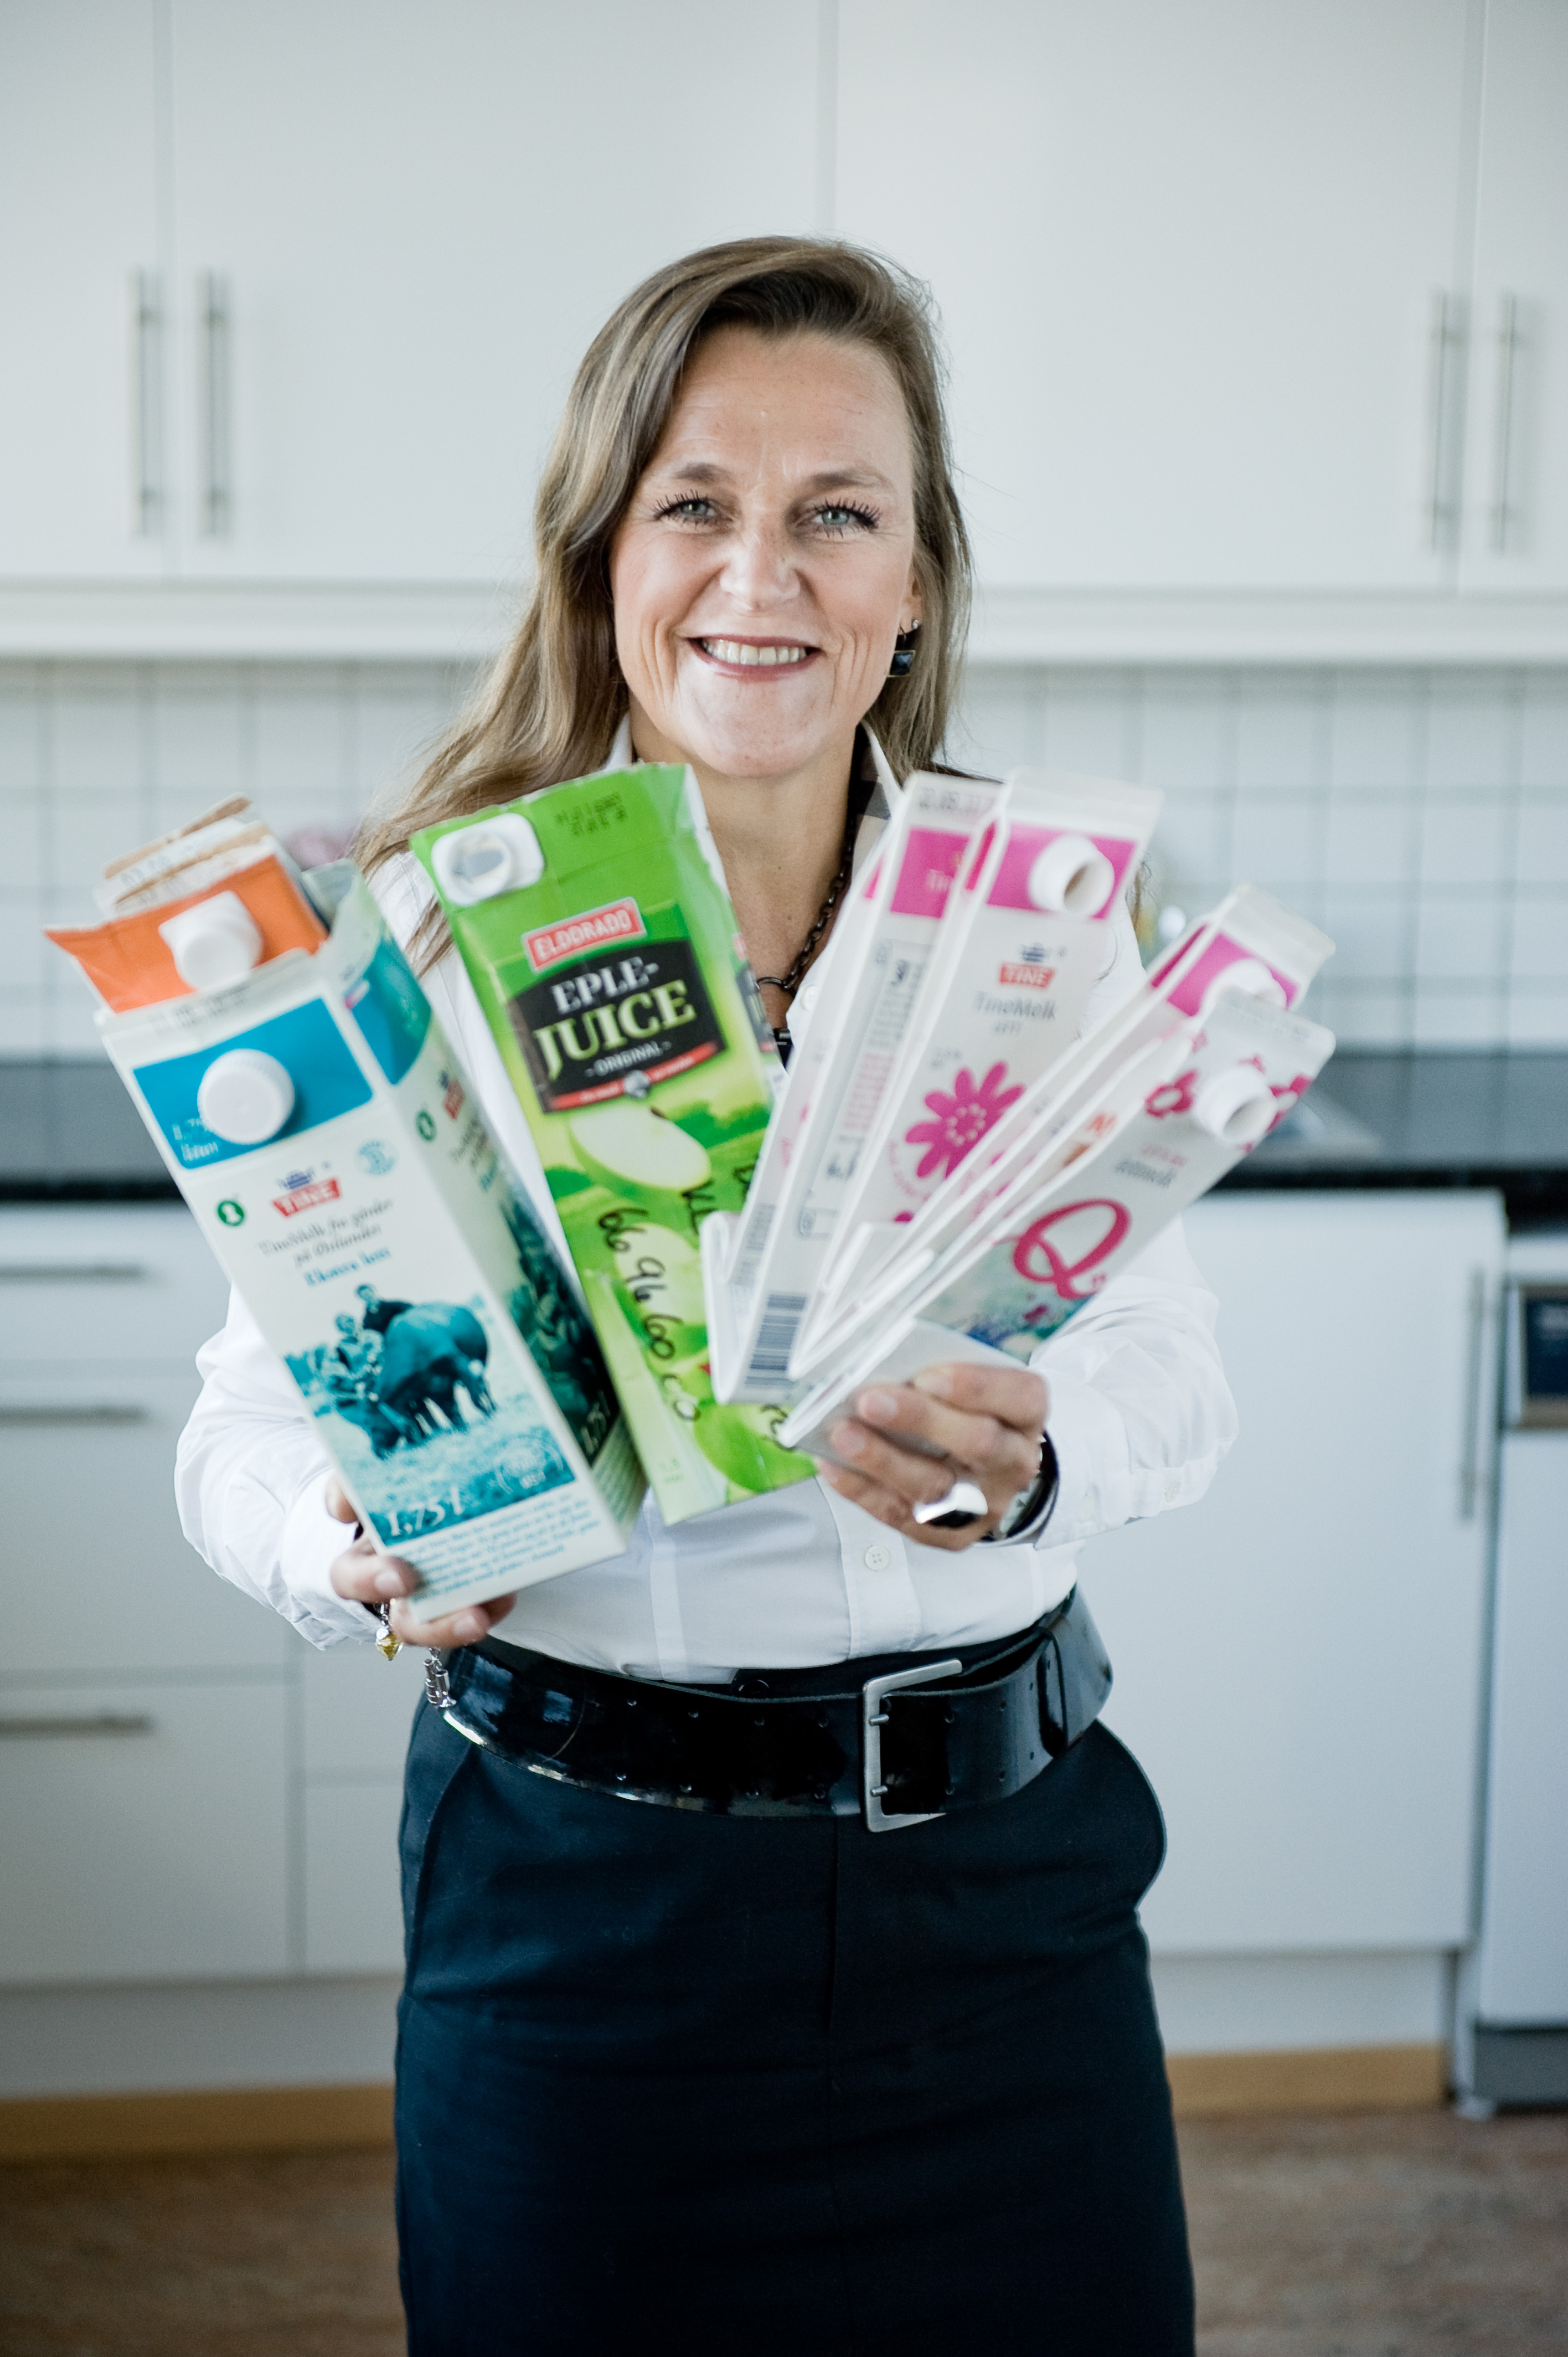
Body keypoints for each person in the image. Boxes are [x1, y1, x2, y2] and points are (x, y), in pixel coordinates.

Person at [177, 238, 1236, 2354]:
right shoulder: (427, 942)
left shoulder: (1033, 936)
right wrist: (347, 1541)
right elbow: (248, 1428)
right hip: (586, 1926)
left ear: (915, 579)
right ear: (604, 561)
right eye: (695, 505)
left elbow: (1172, 1378)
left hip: (1004, 1910)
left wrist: (1036, 1470)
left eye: (838, 511)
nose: (766, 575)